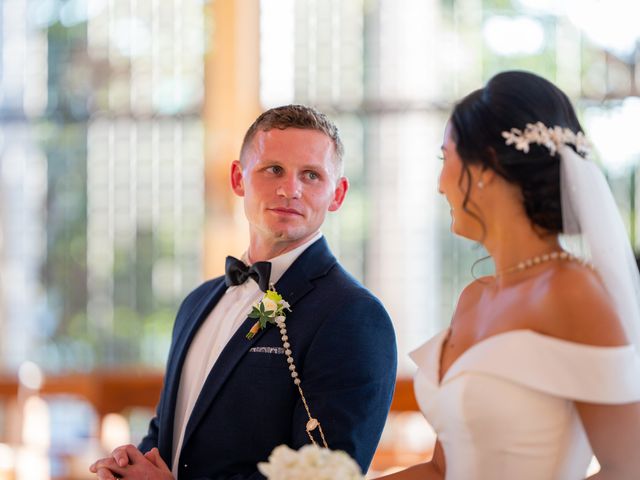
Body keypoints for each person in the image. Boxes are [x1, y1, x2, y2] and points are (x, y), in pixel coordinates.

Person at [90, 105, 397, 479]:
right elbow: (171, 439)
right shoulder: (196, 304)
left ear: (338, 194)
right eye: (273, 170)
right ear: (238, 178)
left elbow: (325, 475)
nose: (290, 189)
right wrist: (128, 467)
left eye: (312, 175)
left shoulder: (353, 316)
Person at [379, 71, 640, 479]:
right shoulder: (473, 297)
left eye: (444, 158)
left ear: (487, 164)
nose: (439, 185)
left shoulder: (572, 291)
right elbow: (439, 470)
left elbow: (628, 468)